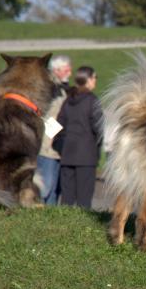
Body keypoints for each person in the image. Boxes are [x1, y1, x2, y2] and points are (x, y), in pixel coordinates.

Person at [54, 66, 103, 208]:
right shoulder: (92, 101)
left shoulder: (68, 100)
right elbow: (99, 129)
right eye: (94, 78)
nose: (95, 81)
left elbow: (55, 126)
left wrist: (56, 145)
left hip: (67, 155)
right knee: (84, 200)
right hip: (87, 156)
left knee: (66, 200)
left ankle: (64, 227)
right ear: (87, 80)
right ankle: (81, 228)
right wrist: (98, 149)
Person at [35, 55, 71, 205]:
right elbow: (43, 115)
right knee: (46, 186)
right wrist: (55, 132)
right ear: (56, 71)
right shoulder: (49, 89)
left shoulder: (64, 89)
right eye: (65, 69)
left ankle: (51, 215)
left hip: (59, 146)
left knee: (56, 188)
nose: (70, 71)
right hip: (47, 147)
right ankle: (38, 213)